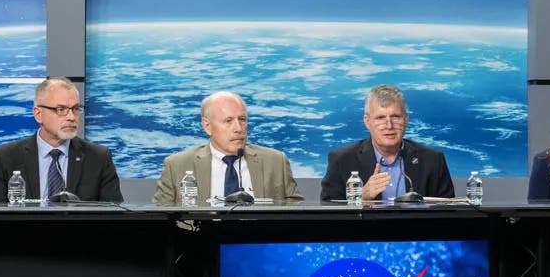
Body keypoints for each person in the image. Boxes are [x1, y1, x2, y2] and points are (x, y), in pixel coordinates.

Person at [0, 76, 123, 203]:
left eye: (75, 109)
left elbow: (115, 217)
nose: (71, 117)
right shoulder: (5, 157)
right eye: (61, 110)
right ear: (38, 114)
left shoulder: (98, 158)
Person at [152, 91, 300, 205]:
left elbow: (296, 213)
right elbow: (162, 218)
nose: (238, 128)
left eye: (242, 119)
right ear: (207, 126)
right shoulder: (177, 165)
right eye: (228, 121)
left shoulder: (275, 161)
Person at [321, 84, 454, 203]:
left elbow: (450, 214)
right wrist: (360, 197)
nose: (389, 125)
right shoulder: (342, 160)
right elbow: (327, 213)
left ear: (406, 119)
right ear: (367, 122)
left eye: (395, 117)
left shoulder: (433, 159)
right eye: (380, 118)